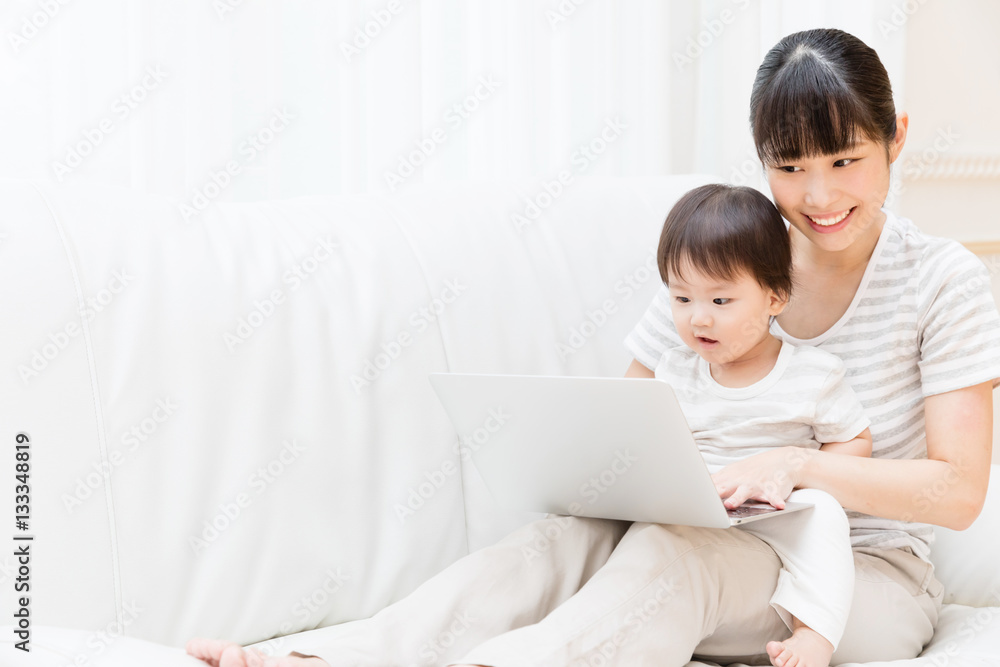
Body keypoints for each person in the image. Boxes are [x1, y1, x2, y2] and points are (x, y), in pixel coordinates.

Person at [186, 27, 1000, 667]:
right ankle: (319, 657)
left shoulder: (943, 280)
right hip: (704, 527)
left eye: (846, 160)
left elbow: (958, 491)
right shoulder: (730, 259)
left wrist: (796, 466)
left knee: (676, 562)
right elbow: (630, 418)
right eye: (789, 166)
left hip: (858, 572)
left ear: (895, 137)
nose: (819, 195)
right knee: (555, 543)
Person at [652, 182, 872, 667]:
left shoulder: (812, 374)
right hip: (696, 512)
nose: (698, 320)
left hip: (776, 513)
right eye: (681, 298)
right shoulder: (671, 370)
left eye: (720, 302)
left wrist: (800, 472)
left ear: (775, 298)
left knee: (823, 513)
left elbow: (855, 441)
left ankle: (813, 632)